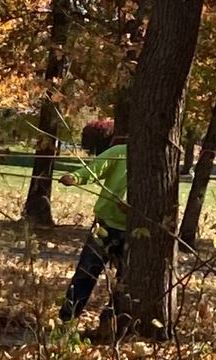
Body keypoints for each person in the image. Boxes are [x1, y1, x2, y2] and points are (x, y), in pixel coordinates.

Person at [58, 137, 127, 327]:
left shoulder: (157, 161)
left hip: (134, 232)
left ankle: (111, 323)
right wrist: (75, 177)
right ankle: (67, 320)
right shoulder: (120, 152)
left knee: (127, 281)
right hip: (104, 226)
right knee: (85, 273)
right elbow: (93, 170)